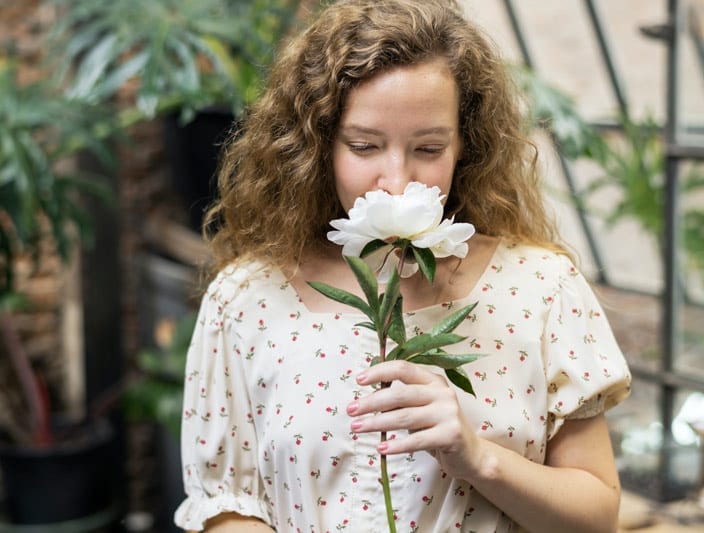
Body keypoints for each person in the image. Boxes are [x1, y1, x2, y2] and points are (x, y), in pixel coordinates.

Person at [175, 0, 632, 531]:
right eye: (364, 146)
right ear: (318, 146)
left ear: (467, 146)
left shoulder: (541, 289)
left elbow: (596, 517)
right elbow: (226, 505)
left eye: (429, 148)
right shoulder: (247, 299)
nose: (397, 179)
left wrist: (478, 457)